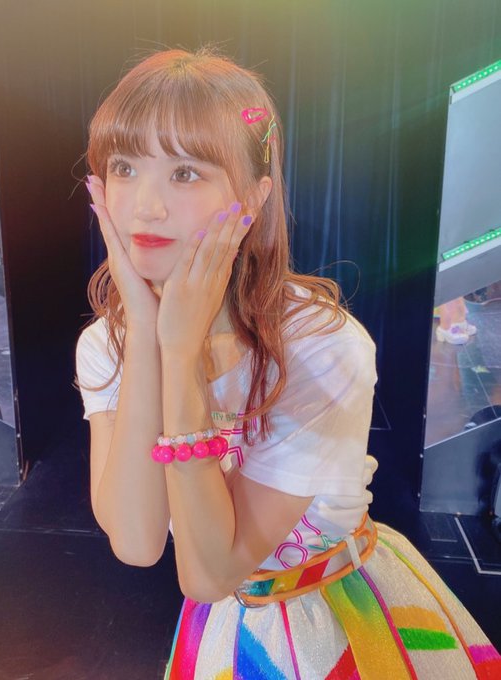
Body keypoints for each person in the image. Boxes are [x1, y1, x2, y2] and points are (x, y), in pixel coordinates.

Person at [75, 48, 500, 679]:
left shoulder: (322, 348)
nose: (145, 206)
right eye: (124, 167)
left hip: (335, 613)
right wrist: (145, 336)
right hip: (232, 620)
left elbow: (211, 573)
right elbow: (136, 543)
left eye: (185, 173)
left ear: (252, 198)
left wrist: (182, 354)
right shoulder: (106, 344)